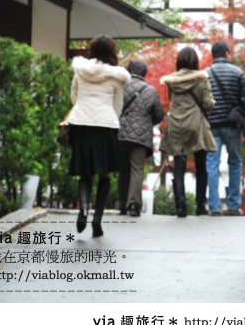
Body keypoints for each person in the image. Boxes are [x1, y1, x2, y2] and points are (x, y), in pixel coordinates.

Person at [68, 35, 130, 237]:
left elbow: (74, 97)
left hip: (81, 123)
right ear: (112, 52)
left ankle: (84, 209)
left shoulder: (81, 71)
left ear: (92, 51)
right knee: (105, 174)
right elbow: (117, 106)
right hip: (105, 125)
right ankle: (97, 221)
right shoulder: (116, 76)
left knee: (86, 172)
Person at [160, 47, 217, 217]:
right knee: (201, 166)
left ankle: (180, 207)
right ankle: (201, 206)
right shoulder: (201, 79)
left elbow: (172, 100)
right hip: (196, 124)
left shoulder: (171, 81)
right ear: (195, 61)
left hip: (176, 123)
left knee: (179, 165)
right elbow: (208, 104)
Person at [205, 41, 245, 216]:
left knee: (212, 164)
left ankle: (214, 206)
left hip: (213, 125)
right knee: (235, 163)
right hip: (232, 126)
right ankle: (233, 205)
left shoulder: (206, 74)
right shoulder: (238, 73)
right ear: (227, 54)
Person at [117, 59, 165, 217]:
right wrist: (146, 121)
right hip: (141, 136)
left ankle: (122, 205)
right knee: (137, 169)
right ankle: (133, 205)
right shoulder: (150, 90)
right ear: (144, 73)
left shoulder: (120, 87)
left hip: (121, 133)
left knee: (123, 169)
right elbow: (159, 114)